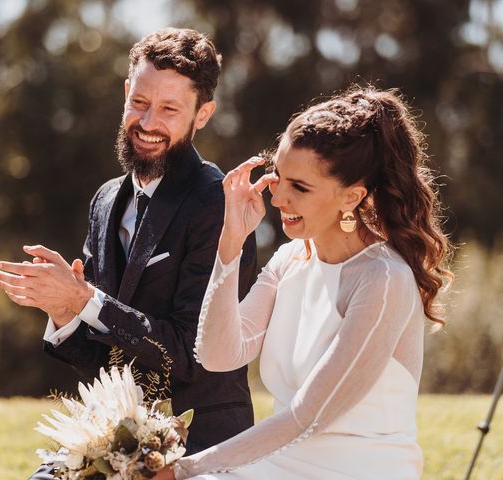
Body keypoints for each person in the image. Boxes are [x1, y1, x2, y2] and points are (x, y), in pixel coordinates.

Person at [155, 86, 453, 479]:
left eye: (301, 187)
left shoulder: (384, 281)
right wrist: (231, 240)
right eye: (279, 177)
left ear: (352, 197)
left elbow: (306, 416)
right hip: (280, 462)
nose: (278, 198)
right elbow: (218, 354)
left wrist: (184, 469)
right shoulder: (290, 260)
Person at [0, 27, 258, 461]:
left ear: (203, 113)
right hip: (113, 439)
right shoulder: (105, 199)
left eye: (170, 108)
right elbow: (108, 355)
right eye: (140, 102)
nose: (148, 123)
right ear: (125, 93)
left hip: (202, 446)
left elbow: (194, 356)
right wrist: (64, 312)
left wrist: (83, 297)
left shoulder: (217, 203)